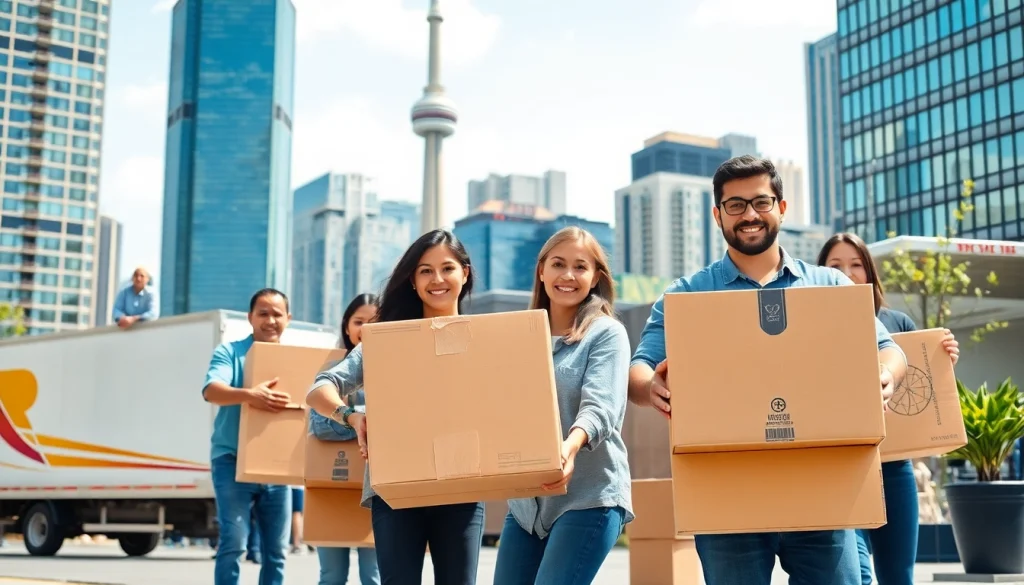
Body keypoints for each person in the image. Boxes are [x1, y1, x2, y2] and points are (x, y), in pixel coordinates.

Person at [627, 155, 909, 585]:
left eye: (761, 202)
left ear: (782, 207)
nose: (750, 215)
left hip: (822, 487)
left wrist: (885, 375)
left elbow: (889, 350)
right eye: (735, 205)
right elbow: (640, 368)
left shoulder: (830, 286)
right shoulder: (686, 296)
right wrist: (651, 386)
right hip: (724, 493)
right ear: (718, 215)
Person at [306, 230, 485, 585]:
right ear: (412, 281)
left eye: (447, 268)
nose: (437, 279)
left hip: (462, 487)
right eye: (425, 271)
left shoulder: (486, 339)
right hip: (396, 489)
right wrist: (351, 416)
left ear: (464, 273)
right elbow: (319, 389)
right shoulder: (385, 340)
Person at [492, 226, 634, 585]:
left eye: (580, 267)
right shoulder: (520, 337)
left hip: (588, 497)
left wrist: (569, 447)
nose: (568, 275)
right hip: (527, 506)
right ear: (541, 271)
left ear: (596, 277)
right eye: (558, 264)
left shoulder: (607, 333)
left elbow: (600, 407)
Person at [819, 232, 960, 585]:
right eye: (835, 265)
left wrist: (943, 361)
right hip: (841, 470)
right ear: (820, 272)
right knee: (857, 574)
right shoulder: (812, 328)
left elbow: (922, 389)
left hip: (894, 469)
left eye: (856, 265)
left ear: (869, 272)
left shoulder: (897, 323)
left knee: (899, 576)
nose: (847, 273)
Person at [202, 288, 295, 585]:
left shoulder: (295, 360)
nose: (270, 320)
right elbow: (211, 391)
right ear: (250, 317)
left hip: (277, 467)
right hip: (232, 460)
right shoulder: (230, 352)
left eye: (277, 314)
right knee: (234, 543)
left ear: (288, 318)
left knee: (277, 551)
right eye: (263, 313)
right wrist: (250, 396)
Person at [310, 293, 381, 585]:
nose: (365, 329)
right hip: (332, 486)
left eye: (374, 322)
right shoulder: (330, 371)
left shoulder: (391, 366)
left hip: (376, 489)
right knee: (332, 576)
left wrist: (345, 415)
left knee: (374, 576)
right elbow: (319, 425)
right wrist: (362, 420)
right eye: (358, 322)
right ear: (346, 325)